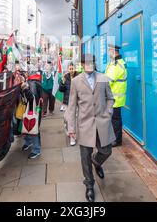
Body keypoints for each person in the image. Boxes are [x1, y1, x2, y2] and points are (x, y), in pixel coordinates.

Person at [64, 54, 115, 202]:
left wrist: (108, 112)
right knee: (85, 157)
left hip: (102, 123)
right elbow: (71, 107)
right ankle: (89, 185)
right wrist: (71, 128)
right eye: (86, 63)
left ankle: (97, 161)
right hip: (85, 125)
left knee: (106, 151)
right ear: (82, 65)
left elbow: (110, 98)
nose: (89, 65)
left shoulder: (103, 77)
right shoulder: (75, 81)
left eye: (91, 62)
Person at [105, 44, 128, 147]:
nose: (108, 53)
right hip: (115, 97)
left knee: (115, 120)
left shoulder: (117, 65)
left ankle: (117, 141)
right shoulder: (115, 63)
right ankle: (115, 138)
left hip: (115, 98)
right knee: (114, 119)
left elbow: (109, 80)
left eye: (109, 51)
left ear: (113, 52)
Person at [21, 69, 43, 159]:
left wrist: (25, 89)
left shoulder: (32, 82)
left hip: (32, 110)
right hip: (28, 109)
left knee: (33, 128)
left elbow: (32, 97)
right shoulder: (31, 81)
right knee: (27, 127)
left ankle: (36, 149)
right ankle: (28, 142)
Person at [59, 62, 79, 146]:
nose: (71, 70)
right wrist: (62, 82)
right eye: (70, 69)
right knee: (66, 118)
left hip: (76, 102)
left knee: (72, 120)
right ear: (68, 69)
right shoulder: (65, 77)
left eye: (72, 68)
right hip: (67, 102)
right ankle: (69, 129)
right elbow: (61, 90)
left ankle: (72, 137)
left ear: (75, 68)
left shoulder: (78, 76)